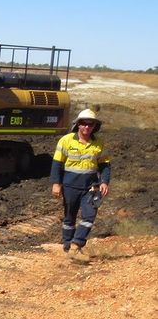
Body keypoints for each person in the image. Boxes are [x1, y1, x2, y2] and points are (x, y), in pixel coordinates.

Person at [50, 108, 111, 260]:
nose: (87, 127)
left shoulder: (99, 144)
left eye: (90, 125)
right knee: (69, 217)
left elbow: (105, 165)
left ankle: (76, 244)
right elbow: (57, 164)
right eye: (83, 124)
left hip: (91, 187)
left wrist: (104, 182)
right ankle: (67, 246)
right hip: (70, 185)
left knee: (89, 216)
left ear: (94, 127)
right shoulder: (66, 141)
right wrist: (56, 184)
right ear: (78, 124)